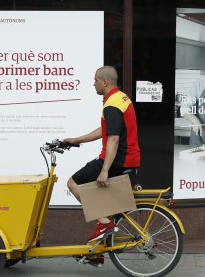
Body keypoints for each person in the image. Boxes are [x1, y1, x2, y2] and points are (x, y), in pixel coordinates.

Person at [62, 66, 140, 266]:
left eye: (95, 80)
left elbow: (113, 139)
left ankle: (104, 224)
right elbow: (105, 130)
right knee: (100, 199)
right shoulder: (120, 98)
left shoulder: (112, 104)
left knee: (73, 183)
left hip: (118, 159)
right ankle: (96, 251)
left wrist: (104, 170)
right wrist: (76, 139)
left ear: (104, 82)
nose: (93, 83)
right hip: (128, 156)